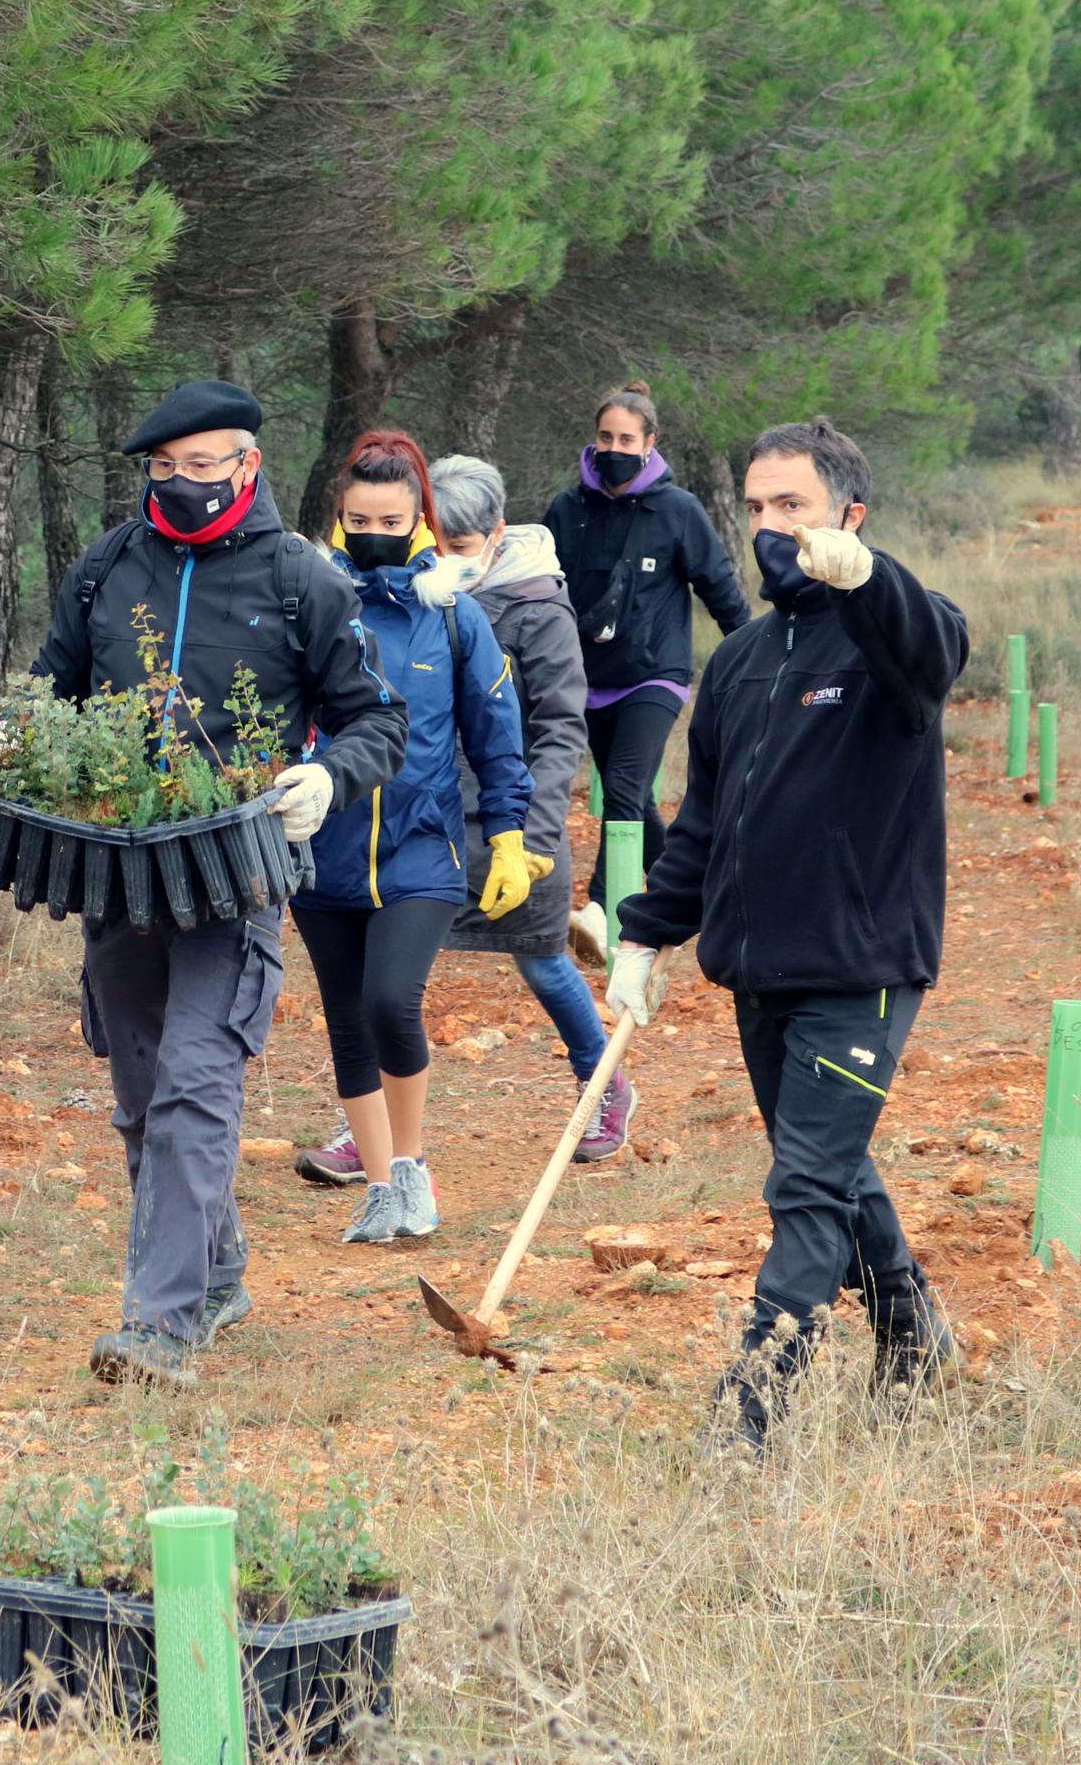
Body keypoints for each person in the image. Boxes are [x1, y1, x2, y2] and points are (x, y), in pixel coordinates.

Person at [29, 380, 407, 1389]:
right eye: (165, 468)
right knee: (143, 1093)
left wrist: (328, 773)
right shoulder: (107, 567)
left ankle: (159, 1323)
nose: (184, 485)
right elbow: (49, 689)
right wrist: (15, 743)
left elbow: (378, 719)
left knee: (198, 1082)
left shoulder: (301, 578)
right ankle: (219, 1269)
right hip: (116, 874)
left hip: (235, 877)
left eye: (204, 466)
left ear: (248, 466)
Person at [604, 417, 968, 1455]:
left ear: (848, 514)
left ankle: (755, 1402)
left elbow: (937, 647)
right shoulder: (744, 663)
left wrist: (871, 578)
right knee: (835, 1168)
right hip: (759, 972)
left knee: (805, 1185)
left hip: (863, 968)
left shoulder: (891, 640)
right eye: (756, 507)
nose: (769, 527)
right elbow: (705, 823)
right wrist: (645, 937)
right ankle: (915, 1335)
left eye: (792, 506)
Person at [283, 431, 536, 1246]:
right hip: (320, 849)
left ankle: (414, 1168)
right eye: (358, 517)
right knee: (346, 1018)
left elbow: (497, 733)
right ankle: (384, 1186)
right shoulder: (309, 603)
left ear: (419, 515)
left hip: (424, 850)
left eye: (391, 517)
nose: (373, 531)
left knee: (392, 1001)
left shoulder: (454, 616)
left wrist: (506, 835)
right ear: (337, 514)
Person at [436, 457, 636, 1157]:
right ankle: (370, 1123)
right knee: (387, 967)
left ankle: (603, 1084)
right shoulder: (413, 594)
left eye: (457, 548)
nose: (442, 559)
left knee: (543, 959)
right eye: (432, 541)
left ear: (494, 534)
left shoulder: (538, 610)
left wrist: (532, 833)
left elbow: (559, 729)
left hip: (510, 822)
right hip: (423, 820)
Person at [541, 381, 750, 964]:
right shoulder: (566, 510)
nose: (614, 447)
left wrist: (761, 657)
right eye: (605, 436)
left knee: (624, 791)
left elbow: (719, 588)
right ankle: (708, 886)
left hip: (654, 676)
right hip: (586, 678)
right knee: (634, 809)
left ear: (650, 442)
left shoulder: (677, 510)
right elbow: (539, 587)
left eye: (626, 438)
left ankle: (603, 914)